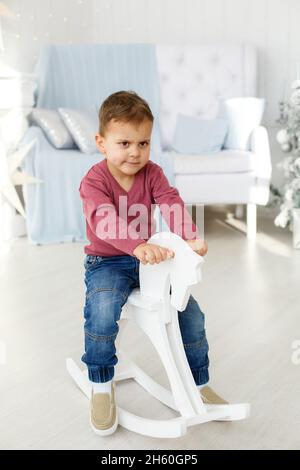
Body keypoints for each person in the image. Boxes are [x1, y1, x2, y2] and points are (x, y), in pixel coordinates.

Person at [79, 90, 227, 436]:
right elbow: (103, 219)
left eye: (143, 143)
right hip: (108, 261)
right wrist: (137, 244)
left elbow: (171, 203)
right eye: (125, 143)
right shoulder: (94, 181)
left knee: (190, 314)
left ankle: (198, 382)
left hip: (150, 261)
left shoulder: (154, 174)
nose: (135, 152)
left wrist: (189, 237)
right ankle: (101, 383)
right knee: (102, 310)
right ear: (102, 142)